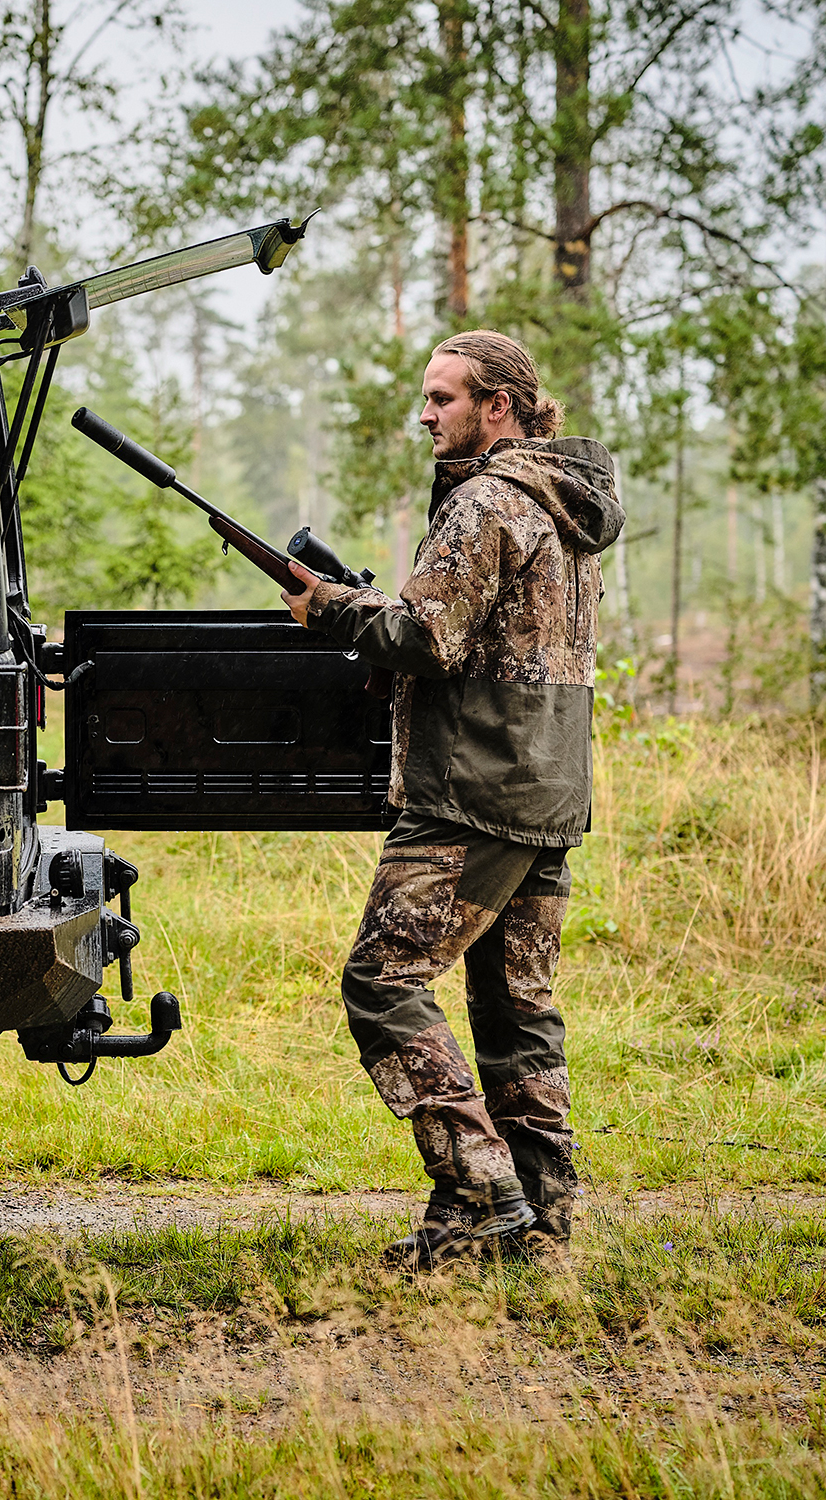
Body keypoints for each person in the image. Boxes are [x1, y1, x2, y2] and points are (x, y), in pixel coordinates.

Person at [281, 330, 624, 1271]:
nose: (425, 415)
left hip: (472, 791)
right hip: (547, 784)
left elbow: (425, 635)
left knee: (382, 982)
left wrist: (330, 608)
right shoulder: (564, 504)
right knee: (516, 1009)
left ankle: (484, 1189)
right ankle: (544, 1226)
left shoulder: (486, 502)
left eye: (442, 399)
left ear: (497, 406)